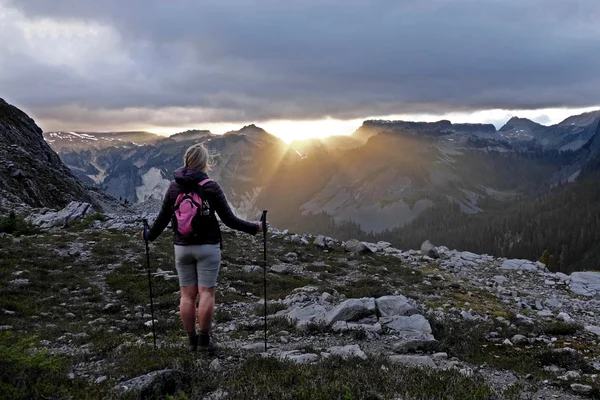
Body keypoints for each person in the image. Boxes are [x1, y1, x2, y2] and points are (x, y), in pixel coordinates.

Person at [142, 143, 267, 353]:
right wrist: (257, 228)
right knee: (207, 293)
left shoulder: (173, 187)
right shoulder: (211, 187)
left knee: (187, 295)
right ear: (204, 163)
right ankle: (204, 341)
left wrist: (148, 235)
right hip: (208, 247)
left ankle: (191, 341)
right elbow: (230, 220)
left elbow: (162, 220)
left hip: (182, 247)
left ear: (186, 161)